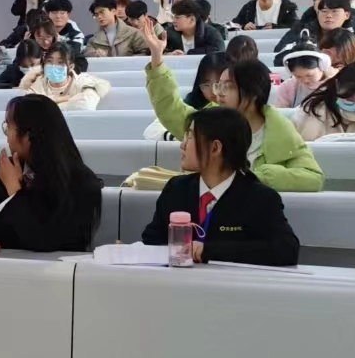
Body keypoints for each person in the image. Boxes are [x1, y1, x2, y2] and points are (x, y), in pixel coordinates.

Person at [139, 17, 324, 192]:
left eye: (227, 87)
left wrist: (255, 177)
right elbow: (170, 108)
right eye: (218, 85)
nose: (218, 93)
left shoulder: (279, 129)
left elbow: (312, 177)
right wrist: (157, 57)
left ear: (252, 93)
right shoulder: (210, 120)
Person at [140, 107, 300, 266]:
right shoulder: (177, 188)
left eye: (190, 137)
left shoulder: (260, 198)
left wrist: (209, 250)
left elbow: (286, 249)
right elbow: (151, 239)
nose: (182, 145)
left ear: (215, 148)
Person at [0, 95, 103, 255]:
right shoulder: (8, 167)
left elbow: (47, 241)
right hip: (4, 263)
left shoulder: (82, 182)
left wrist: (15, 193)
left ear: (29, 136)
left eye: (9, 127)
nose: (6, 136)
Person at [275, 0, 355, 66]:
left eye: (335, 11)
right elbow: (279, 58)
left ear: (347, 15)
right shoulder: (305, 31)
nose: (329, 16)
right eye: (324, 11)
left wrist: (349, 63)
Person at [20, 44, 110, 110]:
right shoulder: (38, 83)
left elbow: (86, 105)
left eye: (60, 62)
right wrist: (59, 99)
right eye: (50, 61)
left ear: (71, 67)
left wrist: (50, 105)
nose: (54, 66)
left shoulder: (83, 82)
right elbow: (29, 108)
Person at [271, 41, 335, 109]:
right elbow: (280, 113)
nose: (305, 80)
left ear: (322, 66)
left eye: (309, 75)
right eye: (298, 76)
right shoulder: (287, 87)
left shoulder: (336, 86)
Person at [86, 0, 150, 57]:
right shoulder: (93, 40)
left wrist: (128, 61)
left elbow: (144, 54)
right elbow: (86, 53)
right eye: (96, 14)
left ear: (114, 11)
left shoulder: (133, 34)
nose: (99, 17)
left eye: (102, 12)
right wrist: (95, 53)